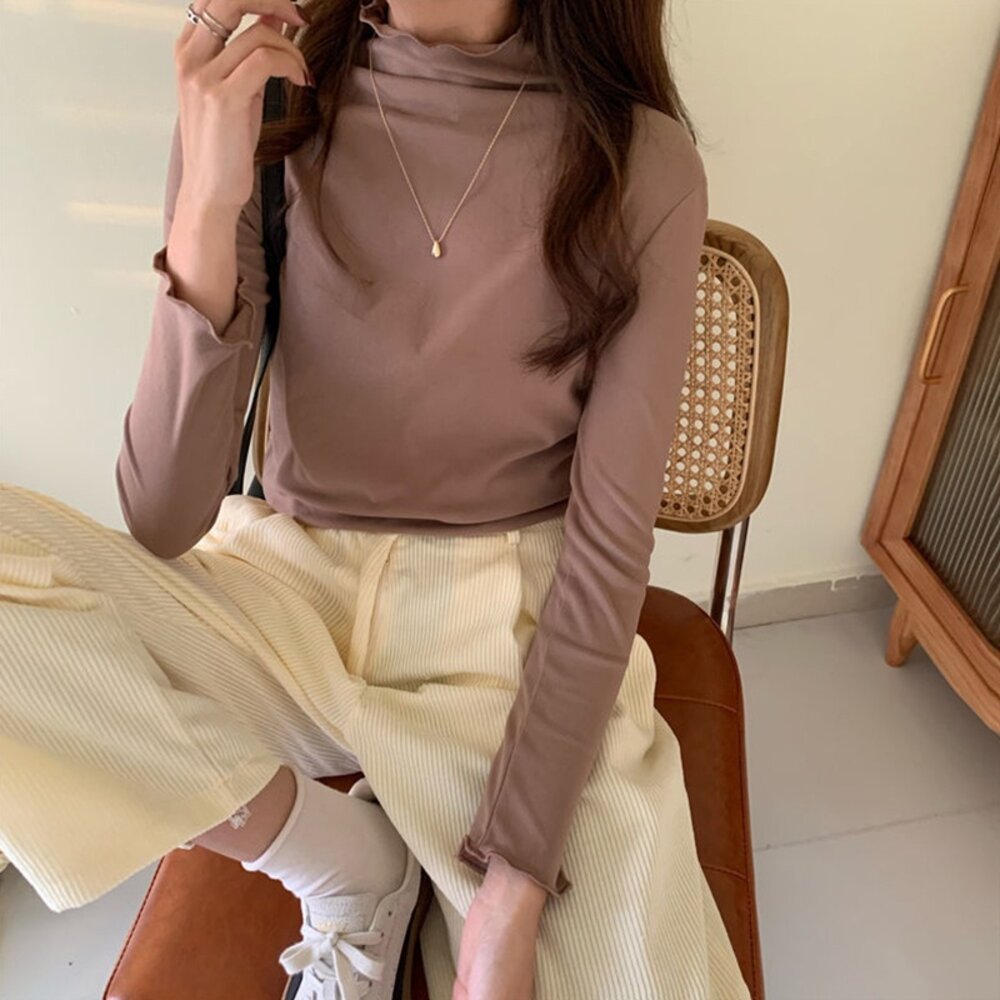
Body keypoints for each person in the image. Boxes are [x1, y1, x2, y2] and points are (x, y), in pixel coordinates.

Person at [0, 0, 751, 997]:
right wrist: (208, 189)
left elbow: (609, 541)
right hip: (285, 591)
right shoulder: (272, 102)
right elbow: (163, 516)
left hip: (499, 637)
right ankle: (346, 867)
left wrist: (513, 891)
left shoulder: (639, 165)